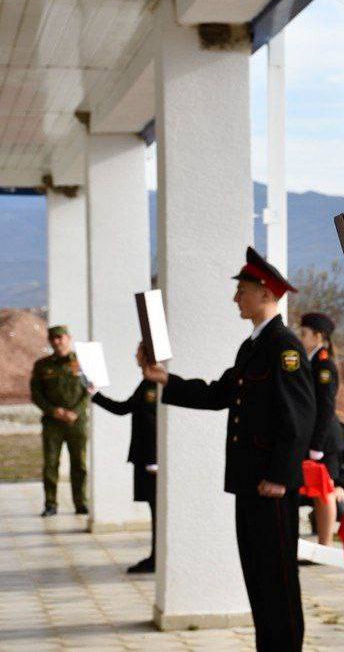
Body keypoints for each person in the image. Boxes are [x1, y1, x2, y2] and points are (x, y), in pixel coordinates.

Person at [141, 247, 315, 652]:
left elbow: (299, 419)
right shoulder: (252, 346)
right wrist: (165, 379)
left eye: (242, 290)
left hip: (271, 486)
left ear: (265, 292)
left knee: (278, 580)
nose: (236, 298)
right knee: (257, 577)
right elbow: (221, 393)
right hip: (249, 482)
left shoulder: (284, 347)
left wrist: (279, 476)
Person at [89, 345, 159, 573]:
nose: (135, 355)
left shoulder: (153, 386)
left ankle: (157, 558)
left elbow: (152, 425)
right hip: (145, 458)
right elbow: (125, 408)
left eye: (139, 351)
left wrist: (155, 460)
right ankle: (155, 556)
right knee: (154, 508)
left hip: (151, 461)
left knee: (157, 508)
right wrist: (95, 395)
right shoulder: (146, 383)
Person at [298, 312, 344, 547]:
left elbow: (325, 407)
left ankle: (324, 545)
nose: (300, 337)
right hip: (315, 436)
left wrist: (316, 445)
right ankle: (321, 544)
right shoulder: (311, 360)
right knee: (316, 490)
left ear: (318, 336)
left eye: (304, 333)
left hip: (325, 439)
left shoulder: (323, 364)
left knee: (325, 491)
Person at [31, 325, 89, 517]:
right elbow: (36, 394)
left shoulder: (81, 362)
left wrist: (76, 412)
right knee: (50, 464)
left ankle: (81, 503)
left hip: (76, 422)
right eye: (52, 338)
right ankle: (50, 503)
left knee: (79, 464)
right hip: (52, 422)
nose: (56, 341)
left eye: (60, 337)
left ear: (68, 338)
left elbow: (89, 392)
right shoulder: (42, 365)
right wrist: (53, 410)